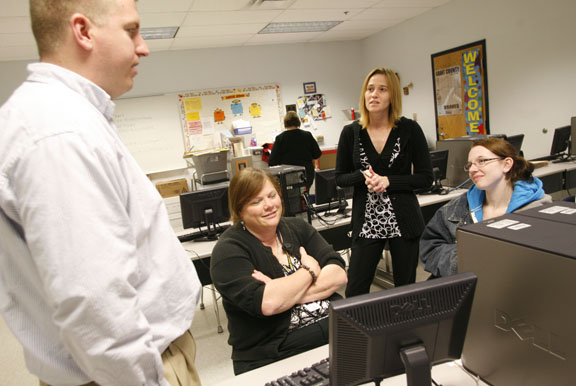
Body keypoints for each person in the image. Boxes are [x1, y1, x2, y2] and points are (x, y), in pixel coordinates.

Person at [0, 1, 203, 385]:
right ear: (83, 31)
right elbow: (95, 305)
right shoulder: (60, 132)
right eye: (131, 31)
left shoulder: (68, 118)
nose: (143, 46)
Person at [210, 167, 347, 375]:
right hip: (276, 352)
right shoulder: (228, 251)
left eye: (272, 195)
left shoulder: (296, 228)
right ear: (240, 210)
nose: (269, 205)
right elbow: (269, 303)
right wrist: (308, 270)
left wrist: (287, 294)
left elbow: (338, 273)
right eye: (256, 202)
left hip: (336, 332)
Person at [335, 68, 433, 297]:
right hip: (368, 222)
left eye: (382, 89)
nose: (374, 95)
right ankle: (358, 333)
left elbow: (426, 178)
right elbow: (340, 178)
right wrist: (364, 175)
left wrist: (389, 181)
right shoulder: (351, 132)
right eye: (370, 89)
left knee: (405, 291)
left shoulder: (409, 129)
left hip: (405, 222)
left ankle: (404, 332)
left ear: (393, 96)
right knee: (356, 290)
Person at [420, 137, 553, 278]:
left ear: (507, 164)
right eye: (469, 164)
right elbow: (430, 248)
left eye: (482, 161)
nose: (472, 169)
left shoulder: (539, 211)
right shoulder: (456, 208)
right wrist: (468, 261)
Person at [269, 111, 322, 191]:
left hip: (288, 176)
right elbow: (317, 154)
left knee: (292, 197)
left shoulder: (280, 138)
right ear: (298, 121)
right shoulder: (307, 135)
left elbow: (272, 161)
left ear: (285, 123)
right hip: (306, 174)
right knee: (304, 194)